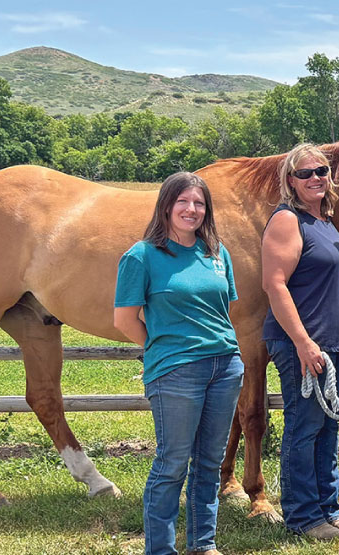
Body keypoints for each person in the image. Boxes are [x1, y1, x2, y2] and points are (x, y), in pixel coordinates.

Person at [114, 172, 241, 555]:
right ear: (166, 206)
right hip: (177, 372)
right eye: (183, 202)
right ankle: (161, 549)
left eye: (199, 203)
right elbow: (124, 319)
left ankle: (203, 544)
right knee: (172, 464)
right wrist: (163, 350)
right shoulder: (142, 256)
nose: (191, 209)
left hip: (225, 367)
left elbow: (224, 307)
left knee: (209, 462)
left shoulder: (217, 252)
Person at [259, 145, 339, 539]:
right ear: (291, 181)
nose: (315, 177)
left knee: (328, 427)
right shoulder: (286, 221)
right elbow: (274, 285)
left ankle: (329, 509)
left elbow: (319, 272)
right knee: (305, 426)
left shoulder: (324, 222)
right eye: (305, 172)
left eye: (322, 170)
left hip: (333, 340)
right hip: (304, 342)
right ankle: (303, 516)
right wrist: (302, 343)